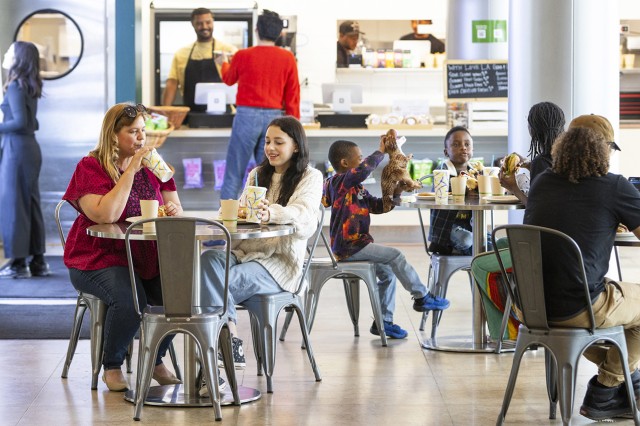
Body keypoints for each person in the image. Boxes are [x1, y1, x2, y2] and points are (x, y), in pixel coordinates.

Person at [524, 114, 640, 421]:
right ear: (602, 150)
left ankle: (628, 382)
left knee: (597, 310)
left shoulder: (541, 183)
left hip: (532, 307)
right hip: (579, 308)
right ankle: (604, 392)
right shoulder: (614, 186)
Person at [62, 103, 184, 392]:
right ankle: (112, 365)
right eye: (133, 132)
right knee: (132, 300)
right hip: (97, 257)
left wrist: (172, 209)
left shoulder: (154, 164)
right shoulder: (90, 167)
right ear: (113, 135)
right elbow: (106, 215)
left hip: (145, 255)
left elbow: (175, 204)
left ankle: (155, 359)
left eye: (143, 131)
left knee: (178, 297)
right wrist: (130, 171)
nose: (141, 138)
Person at [200, 116, 322, 375]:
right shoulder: (257, 174)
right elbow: (245, 214)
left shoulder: (310, 177)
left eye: (279, 142)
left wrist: (272, 214)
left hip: (280, 264)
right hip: (246, 252)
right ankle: (229, 339)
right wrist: (237, 214)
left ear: (296, 146)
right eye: (267, 142)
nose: (270, 148)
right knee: (208, 261)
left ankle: (210, 365)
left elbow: (304, 217)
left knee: (213, 285)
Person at [323, 136, 450, 340]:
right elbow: (363, 170)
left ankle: (383, 322)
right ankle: (422, 296)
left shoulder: (356, 188)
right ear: (345, 163)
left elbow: (378, 206)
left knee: (388, 272)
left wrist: (397, 191)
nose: (363, 161)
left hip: (358, 245)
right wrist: (380, 151)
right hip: (349, 246)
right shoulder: (338, 182)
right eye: (360, 158)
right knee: (396, 255)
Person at [218, 9, 300, 201]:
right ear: (279, 33)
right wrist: (294, 127)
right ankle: (266, 218)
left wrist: (223, 63)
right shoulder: (287, 58)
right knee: (270, 172)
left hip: (246, 116)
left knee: (234, 172)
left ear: (256, 30)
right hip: (275, 118)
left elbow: (229, 79)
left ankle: (225, 222)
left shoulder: (242, 55)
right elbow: (293, 94)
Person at [0, 41, 49, 279]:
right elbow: (33, 123)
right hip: (28, 148)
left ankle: (18, 262)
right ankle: (38, 260)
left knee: (15, 206)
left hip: (17, 150)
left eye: (10, 51)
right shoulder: (29, 85)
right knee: (29, 204)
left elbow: (20, 123)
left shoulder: (14, 87)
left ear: (18, 58)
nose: (6, 53)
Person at [162, 8, 237, 111]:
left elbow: (241, 81)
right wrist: (164, 113)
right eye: (199, 23)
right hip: (191, 114)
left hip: (224, 113)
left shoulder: (228, 51)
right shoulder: (181, 54)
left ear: (213, 22)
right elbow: (172, 83)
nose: (204, 27)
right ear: (192, 24)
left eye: (208, 22)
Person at [499, 101, 566, 206]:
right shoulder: (567, 157)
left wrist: (513, 188)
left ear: (532, 130)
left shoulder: (541, 162)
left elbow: (538, 208)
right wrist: (529, 165)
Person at [428, 126, 474, 255]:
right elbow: (443, 194)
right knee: (467, 240)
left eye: (467, 144)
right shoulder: (442, 172)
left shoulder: (476, 173)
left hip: (470, 226)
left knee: (495, 242)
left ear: (472, 149)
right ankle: (443, 245)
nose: (463, 147)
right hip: (446, 228)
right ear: (446, 152)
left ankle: (460, 250)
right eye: (456, 144)